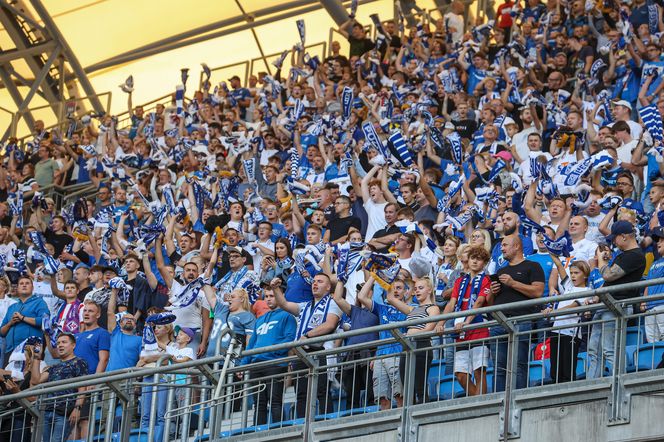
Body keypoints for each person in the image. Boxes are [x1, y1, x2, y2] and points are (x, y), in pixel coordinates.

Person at [272, 273, 341, 418]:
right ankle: (301, 426)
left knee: (322, 391)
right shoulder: (305, 305)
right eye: (314, 281)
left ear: (328, 287)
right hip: (302, 354)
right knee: (301, 393)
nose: (315, 284)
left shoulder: (333, 303)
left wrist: (307, 337)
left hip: (321, 352)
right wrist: (275, 289)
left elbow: (330, 324)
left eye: (320, 281)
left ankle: (325, 424)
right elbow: (284, 304)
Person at [587, 221, 646, 379]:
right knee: (594, 351)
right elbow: (609, 281)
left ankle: (618, 386)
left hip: (617, 306)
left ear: (624, 237)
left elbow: (608, 275)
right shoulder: (624, 255)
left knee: (609, 350)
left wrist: (601, 262)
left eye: (615, 238)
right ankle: (591, 388)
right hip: (606, 305)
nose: (613, 242)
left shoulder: (635, 255)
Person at [489, 235, 545, 391]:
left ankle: (519, 398)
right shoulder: (501, 270)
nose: (502, 248)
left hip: (521, 320)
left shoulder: (533, 266)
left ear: (517, 247)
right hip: (499, 321)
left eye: (505, 245)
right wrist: (493, 292)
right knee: (499, 367)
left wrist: (513, 283)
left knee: (518, 364)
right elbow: (491, 301)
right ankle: (498, 401)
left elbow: (538, 292)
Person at [239, 285, 297, 425]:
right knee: (259, 403)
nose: (268, 299)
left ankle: (280, 432)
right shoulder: (260, 319)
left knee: (275, 401)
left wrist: (270, 351)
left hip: (275, 364)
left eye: (272, 296)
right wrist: (242, 365)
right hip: (256, 365)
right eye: (266, 296)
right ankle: (257, 434)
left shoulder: (287, 316)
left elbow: (289, 338)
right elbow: (251, 345)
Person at [440, 246, 492, 396]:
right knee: (461, 374)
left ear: (485, 263)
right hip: (460, 331)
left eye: (479, 259)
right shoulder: (459, 281)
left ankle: (479, 404)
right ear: (467, 261)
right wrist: (441, 323)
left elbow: (479, 302)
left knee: (478, 371)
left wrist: (467, 322)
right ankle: (478, 401)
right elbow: (451, 304)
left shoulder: (486, 279)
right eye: (473, 258)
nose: (475, 261)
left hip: (479, 328)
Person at [357, 275, 407, 410]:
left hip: (398, 355)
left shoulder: (409, 310)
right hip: (380, 357)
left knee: (399, 395)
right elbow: (361, 297)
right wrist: (374, 276)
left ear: (406, 292)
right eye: (392, 288)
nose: (395, 291)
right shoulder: (382, 308)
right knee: (382, 398)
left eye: (399, 288)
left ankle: (401, 423)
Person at [387, 277, 440, 404]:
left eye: (421, 288)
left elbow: (429, 329)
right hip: (407, 346)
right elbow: (390, 299)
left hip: (421, 345)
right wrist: (389, 280)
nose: (417, 291)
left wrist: (410, 334)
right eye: (415, 289)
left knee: (419, 385)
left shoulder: (433, 308)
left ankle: (422, 417)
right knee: (407, 387)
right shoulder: (412, 309)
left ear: (430, 290)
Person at [32, 333, 88, 442]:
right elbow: (36, 380)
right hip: (47, 410)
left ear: (73, 345)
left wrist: (78, 408)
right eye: (58, 343)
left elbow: (82, 387)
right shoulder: (53, 367)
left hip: (65, 411)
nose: (60, 345)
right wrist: (36, 359)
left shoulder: (79, 362)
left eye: (64, 342)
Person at [544, 255, 590, 384]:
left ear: (585, 275)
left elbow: (573, 306)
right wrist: (552, 253)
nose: (573, 276)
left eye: (577, 273)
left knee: (567, 369)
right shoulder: (569, 286)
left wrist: (554, 312)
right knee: (555, 369)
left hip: (571, 333)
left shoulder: (587, 290)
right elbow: (559, 266)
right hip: (556, 330)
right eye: (571, 273)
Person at [0, 276, 49, 366]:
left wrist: (22, 318)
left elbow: (45, 322)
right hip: (10, 350)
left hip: (29, 349)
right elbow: (2, 332)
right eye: (21, 284)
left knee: (26, 379)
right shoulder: (12, 307)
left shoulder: (39, 302)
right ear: (17, 288)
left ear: (32, 287)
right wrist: (10, 323)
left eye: (27, 283)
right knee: (9, 379)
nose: (24, 285)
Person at [105, 287, 142, 372]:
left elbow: (142, 360)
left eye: (132, 319)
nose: (129, 320)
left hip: (126, 379)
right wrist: (114, 291)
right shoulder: (115, 333)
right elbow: (110, 312)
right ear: (120, 324)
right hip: (108, 377)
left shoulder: (140, 340)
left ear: (135, 325)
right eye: (125, 319)